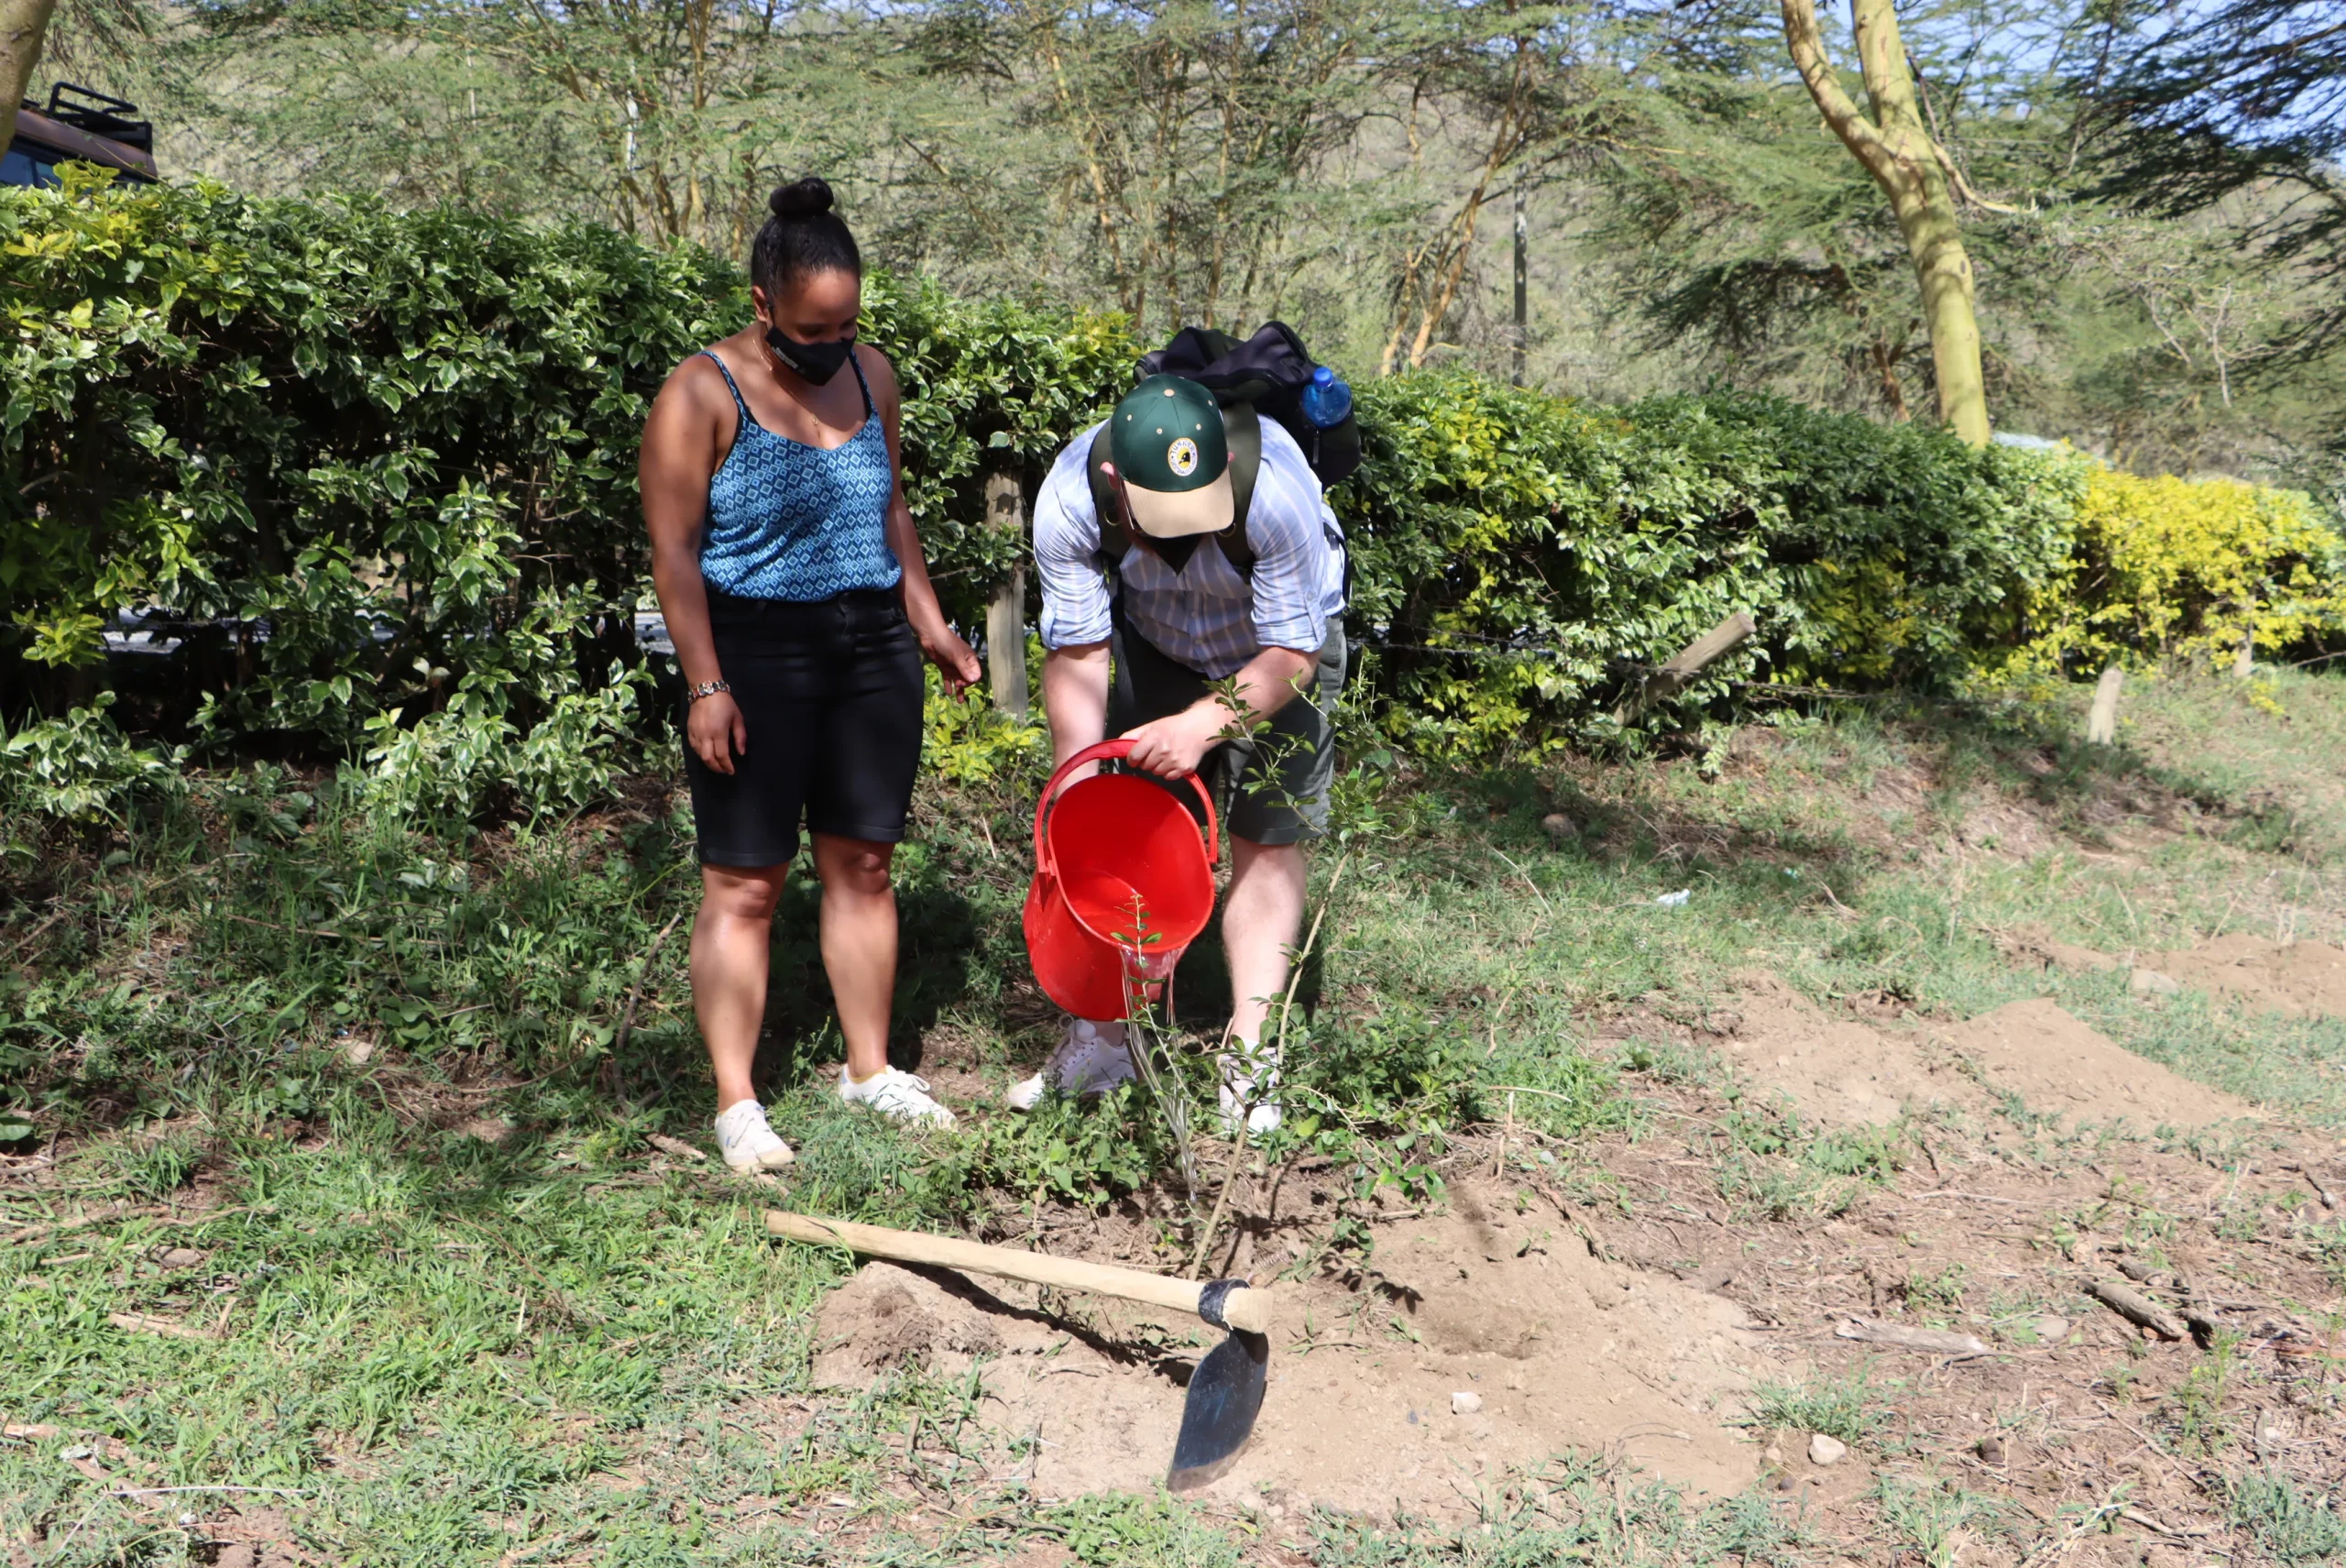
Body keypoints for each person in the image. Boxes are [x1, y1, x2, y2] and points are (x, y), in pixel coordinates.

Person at [640, 176, 981, 1172]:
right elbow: (674, 554)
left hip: (870, 647)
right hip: (754, 653)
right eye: (811, 328)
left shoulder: (873, 376)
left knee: (863, 864)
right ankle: (737, 1102)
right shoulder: (700, 391)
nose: (831, 345)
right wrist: (706, 684)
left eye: (847, 325)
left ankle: (869, 1069)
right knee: (745, 884)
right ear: (761, 307)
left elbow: (892, 513)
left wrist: (933, 628)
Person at [1012, 373, 1346, 1134]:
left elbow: (1293, 654)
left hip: (1272, 658)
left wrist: (1202, 724)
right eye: (1161, 518)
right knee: (1120, 829)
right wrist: (1083, 786)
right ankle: (1106, 1040)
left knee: (1268, 834)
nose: (1184, 533)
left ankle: (1249, 1060)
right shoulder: (1069, 502)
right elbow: (1078, 653)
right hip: (1156, 644)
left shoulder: (1278, 497)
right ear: (1113, 484)